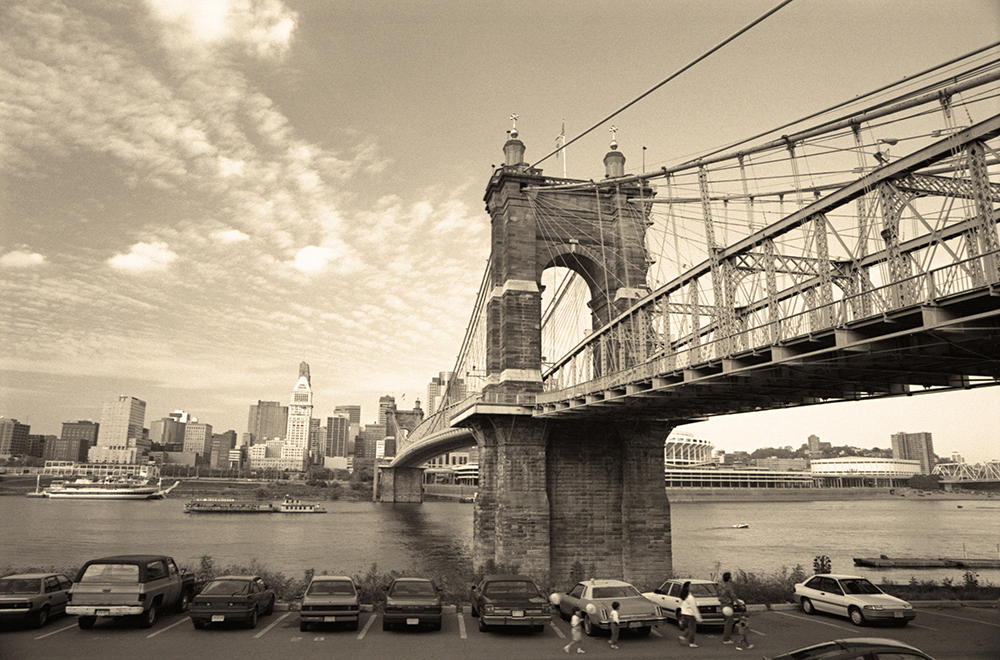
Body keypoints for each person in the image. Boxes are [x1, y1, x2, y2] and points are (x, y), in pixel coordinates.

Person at [677, 581, 703, 648]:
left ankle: (683, 636)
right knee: (692, 629)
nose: (693, 587)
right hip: (690, 615)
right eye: (691, 586)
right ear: (688, 588)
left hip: (684, 613)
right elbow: (694, 608)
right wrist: (698, 617)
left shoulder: (684, 596)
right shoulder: (690, 597)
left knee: (689, 627)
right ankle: (692, 642)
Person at [718, 571, 737, 644]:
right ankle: (726, 639)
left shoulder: (720, 585)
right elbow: (733, 596)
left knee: (726, 621)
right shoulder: (729, 586)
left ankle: (727, 636)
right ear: (729, 579)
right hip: (728, 605)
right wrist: (738, 603)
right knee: (729, 623)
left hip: (722, 604)